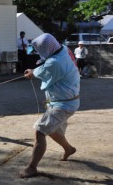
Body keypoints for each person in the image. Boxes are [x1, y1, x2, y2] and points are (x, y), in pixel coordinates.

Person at [20, 33, 80, 178]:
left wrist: (32, 72)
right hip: (67, 100)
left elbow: (41, 71)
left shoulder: (54, 63)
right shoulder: (64, 49)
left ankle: (32, 167)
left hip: (63, 105)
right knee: (52, 130)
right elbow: (45, 67)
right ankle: (69, 149)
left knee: (40, 131)